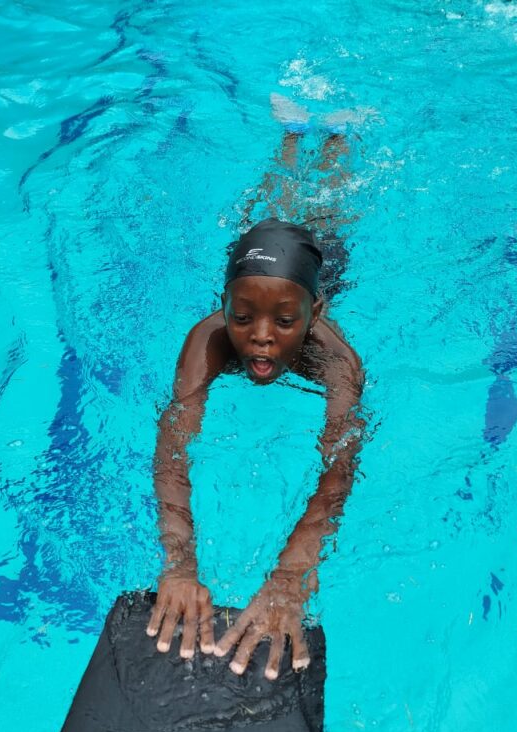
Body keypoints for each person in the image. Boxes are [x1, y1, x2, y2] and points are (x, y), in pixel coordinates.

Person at [146, 107, 368, 680]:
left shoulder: (336, 362)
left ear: (315, 314)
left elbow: (339, 470)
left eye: (285, 322)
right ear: (223, 306)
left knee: (327, 208)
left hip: (318, 257)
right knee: (270, 205)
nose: (261, 337)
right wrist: (179, 563)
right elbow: (173, 449)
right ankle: (290, 134)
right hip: (259, 264)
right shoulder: (210, 339)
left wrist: (291, 576)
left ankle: (339, 136)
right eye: (242, 317)